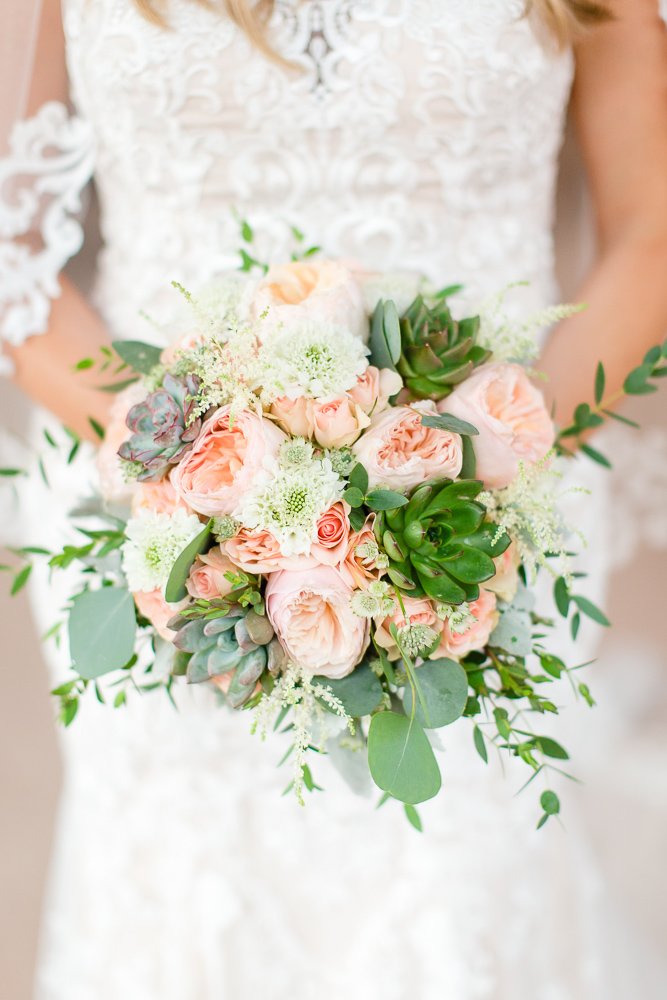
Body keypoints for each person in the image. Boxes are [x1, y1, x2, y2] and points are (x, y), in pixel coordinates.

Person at [2, 2, 667, 997]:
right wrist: (192, 466)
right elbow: (14, 256)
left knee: (454, 902)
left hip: (489, 533)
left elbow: (652, 231)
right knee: (186, 903)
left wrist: (474, 473)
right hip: (154, 523)